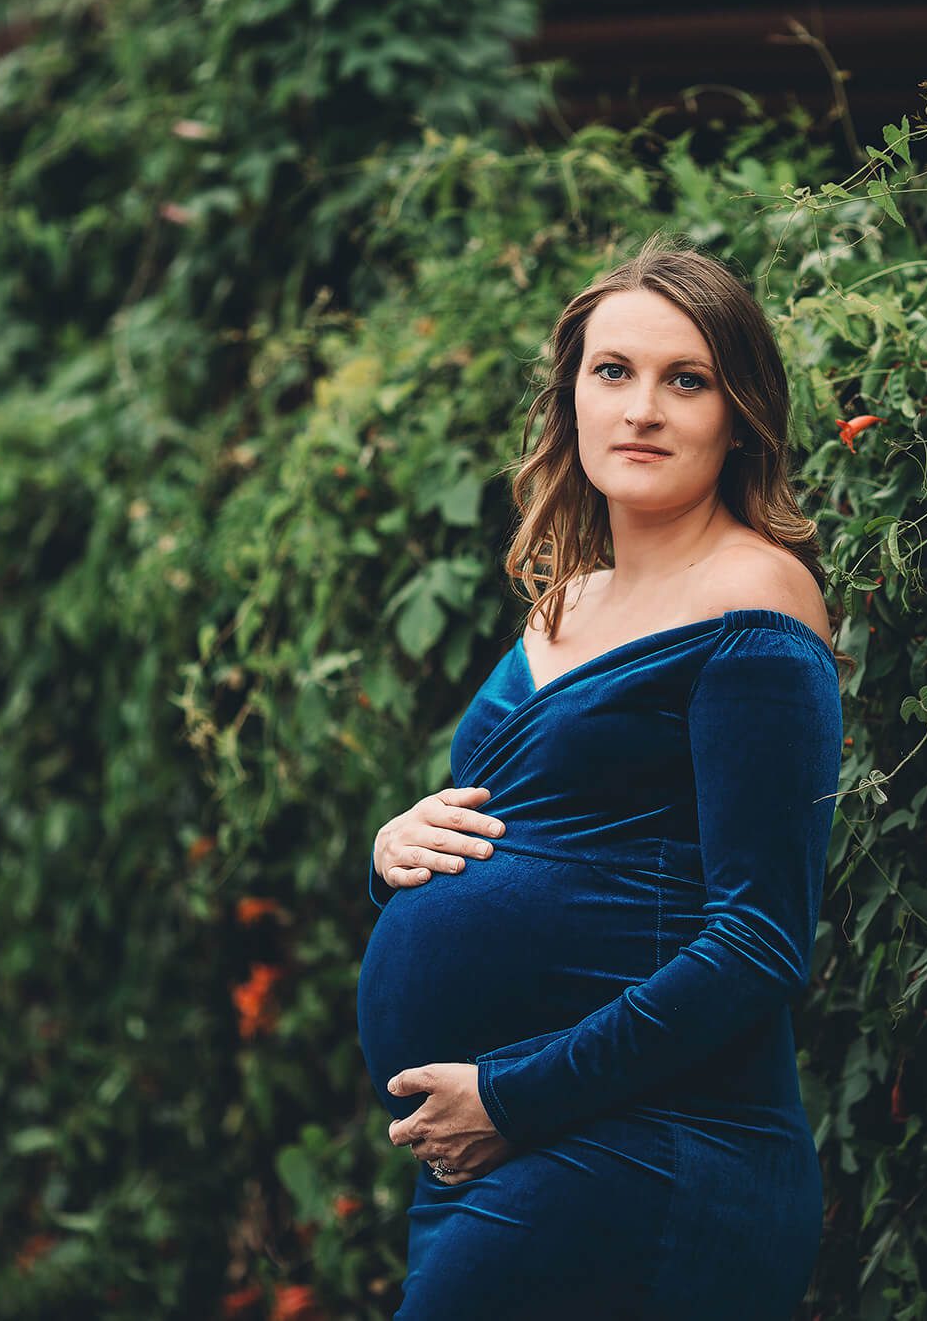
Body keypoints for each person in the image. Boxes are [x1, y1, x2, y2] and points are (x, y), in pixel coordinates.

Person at [355, 232, 847, 1319]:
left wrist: (513, 1098)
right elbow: (512, 828)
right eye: (612, 372)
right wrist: (393, 856)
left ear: (738, 415)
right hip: (510, 1154)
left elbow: (760, 936)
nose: (641, 409)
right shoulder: (562, 604)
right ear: (570, 396)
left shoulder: (754, 604)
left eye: (686, 380)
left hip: (648, 1150)